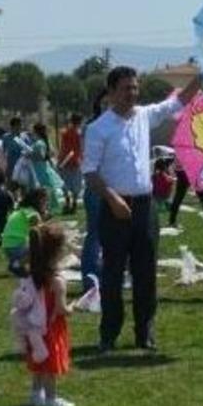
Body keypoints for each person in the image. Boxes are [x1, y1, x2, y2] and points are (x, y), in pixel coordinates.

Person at [83, 64, 203, 352]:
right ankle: (109, 333)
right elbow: (89, 172)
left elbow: (178, 101)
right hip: (115, 207)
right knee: (113, 272)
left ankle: (145, 332)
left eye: (135, 87)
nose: (132, 93)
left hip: (144, 206)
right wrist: (112, 199)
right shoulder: (98, 128)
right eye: (126, 88)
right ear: (111, 92)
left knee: (146, 272)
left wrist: (202, 77)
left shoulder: (143, 115)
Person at [19, 223, 75, 406]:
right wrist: (73, 307)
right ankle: (51, 400)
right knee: (50, 365)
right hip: (51, 328)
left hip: (34, 327)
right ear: (57, 253)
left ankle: (36, 394)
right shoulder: (58, 281)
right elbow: (61, 309)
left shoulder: (34, 274)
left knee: (39, 362)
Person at [80, 90, 109, 287]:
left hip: (112, 186)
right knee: (95, 234)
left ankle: (102, 273)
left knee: (109, 234)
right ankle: (90, 278)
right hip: (97, 186)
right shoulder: (92, 127)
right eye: (105, 103)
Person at [2, 188, 47, 276]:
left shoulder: (22, 210)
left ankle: (16, 263)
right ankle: (17, 265)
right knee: (42, 247)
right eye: (44, 201)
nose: (46, 204)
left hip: (8, 246)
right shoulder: (32, 213)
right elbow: (40, 231)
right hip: (17, 246)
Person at [28, 123, 64, 199]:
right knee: (46, 188)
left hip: (39, 168)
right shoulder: (43, 141)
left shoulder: (39, 143)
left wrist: (30, 155)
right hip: (43, 167)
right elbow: (51, 153)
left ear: (36, 131)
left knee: (42, 188)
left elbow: (42, 156)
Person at [58, 113, 84, 214]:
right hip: (76, 161)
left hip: (65, 161)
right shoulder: (79, 134)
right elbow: (81, 149)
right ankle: (74, 203)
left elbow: (63, 147)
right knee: (76, 183)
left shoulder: (65, 132)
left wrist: (60, 160)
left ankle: (67, 201)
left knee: (65, 183)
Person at [0, 117, 28, 182]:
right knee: (11, 184)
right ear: (12, 126)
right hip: (11, 166)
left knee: (23, 185)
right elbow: (2, 153)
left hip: (23, 167)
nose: (19, 127)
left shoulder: (25, 137)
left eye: (20, 125)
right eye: (17, 125)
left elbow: (28, 150)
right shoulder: (6, 137)